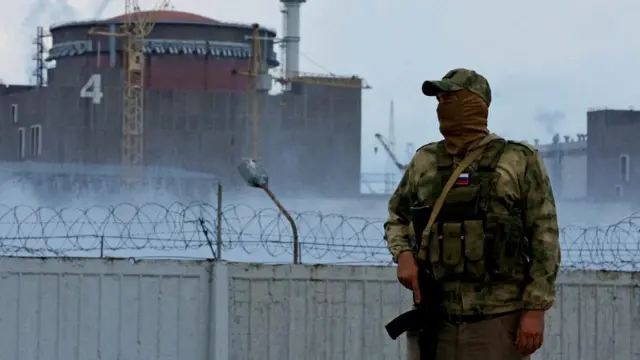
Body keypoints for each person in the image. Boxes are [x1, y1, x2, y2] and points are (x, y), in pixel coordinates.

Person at [384, 68, 561, 360]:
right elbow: (397, 215)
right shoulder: (425, 161)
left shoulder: (517, 159)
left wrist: (535, 309)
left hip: (497, 319)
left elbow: (545, 236)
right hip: (436, 317)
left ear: (475, 103)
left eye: (450, 97)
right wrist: (403, 254)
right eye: (439, 99)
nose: (441, 105)